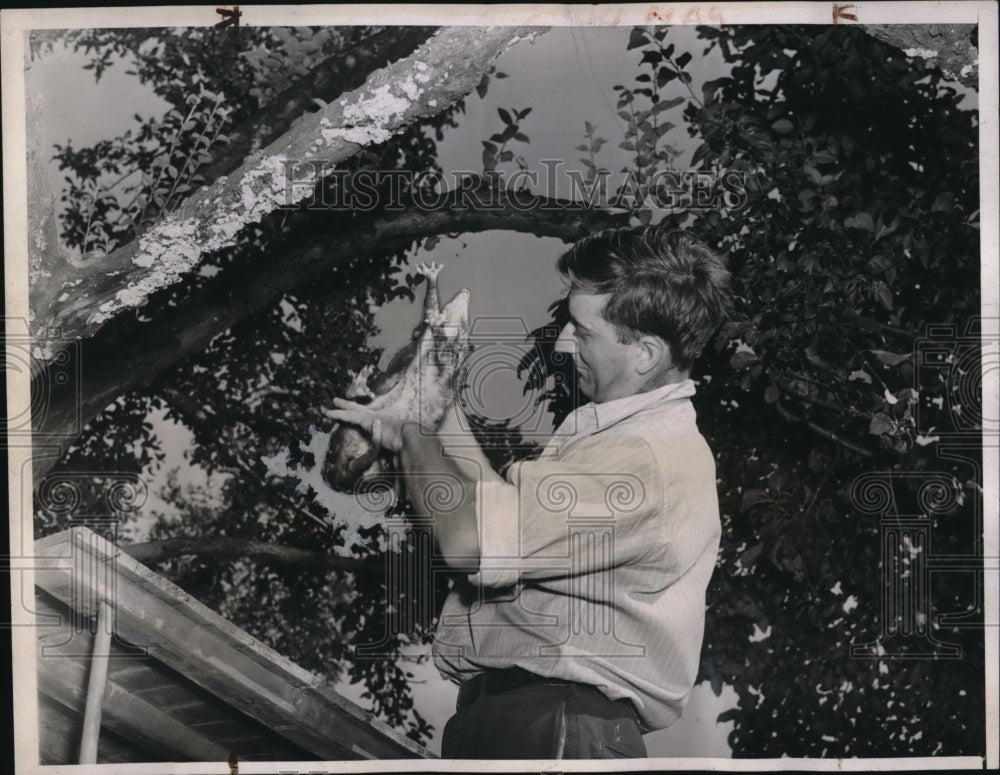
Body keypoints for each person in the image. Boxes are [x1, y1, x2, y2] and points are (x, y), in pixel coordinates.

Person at [326, 226, 733, 759]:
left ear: (645, 354)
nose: (563, 342)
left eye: (582, 332)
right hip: (517, 720)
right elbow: (494, 508)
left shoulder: (645, 458)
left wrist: (410, 435)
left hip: (556, 727)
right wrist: (435, 403)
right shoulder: (614, 435)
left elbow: (470, 540)